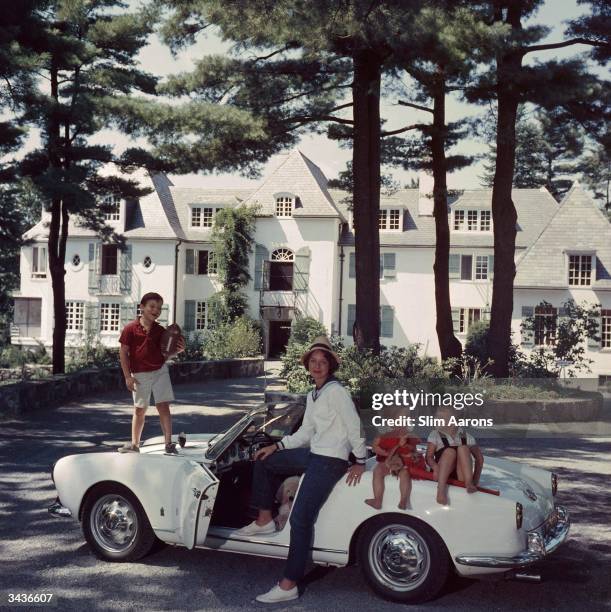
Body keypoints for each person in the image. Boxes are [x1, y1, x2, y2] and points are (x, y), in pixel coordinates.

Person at [235, 336, 367, 604]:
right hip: (314, 453)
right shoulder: (314, 393)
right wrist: (278, 446)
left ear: (330, 366)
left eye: (322, 362)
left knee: (300, 519)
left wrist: (361, 459)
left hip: (330, 460)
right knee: (264, 461)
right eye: (313, 362)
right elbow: (306, 432)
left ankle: (289, 584)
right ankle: (264, 520)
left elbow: (354, 426)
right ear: (308, 366)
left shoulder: (336, 392)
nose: (317, 366)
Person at [118, 292, 184, 455]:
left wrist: (178, 350)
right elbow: (123, 353)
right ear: (142, 307)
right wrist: (128, 377)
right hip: (140, 374)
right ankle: (134, 445)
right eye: (152, 306)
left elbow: (166, 353)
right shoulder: (130, 329)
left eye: (159, 308)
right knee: (140, 409)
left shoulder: (161, 331)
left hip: (160, 371)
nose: (156, 310)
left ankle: (168, 444)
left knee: (163, 406)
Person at [425, 406, 484, 505]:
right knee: (450, 452)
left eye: (441, 418)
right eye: (436, 417)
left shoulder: (466, 437)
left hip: (460, 475)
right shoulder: (435, 434)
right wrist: (435, 467)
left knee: (463, 448)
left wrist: (475, 480)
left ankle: (469, 483)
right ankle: (440, 491)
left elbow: (480, 459)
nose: (436, 420)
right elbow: (428, 457)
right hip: (441, 473)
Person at [365, 428, 421, 511]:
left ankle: (403, 501)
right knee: (378, 471)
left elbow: (414, 451)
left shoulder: (409, 434)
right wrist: (390, 453)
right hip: (386, 462)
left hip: (401, 463)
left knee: (405, 473)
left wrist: (408, 449)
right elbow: (374, 448)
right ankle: (377, 500)